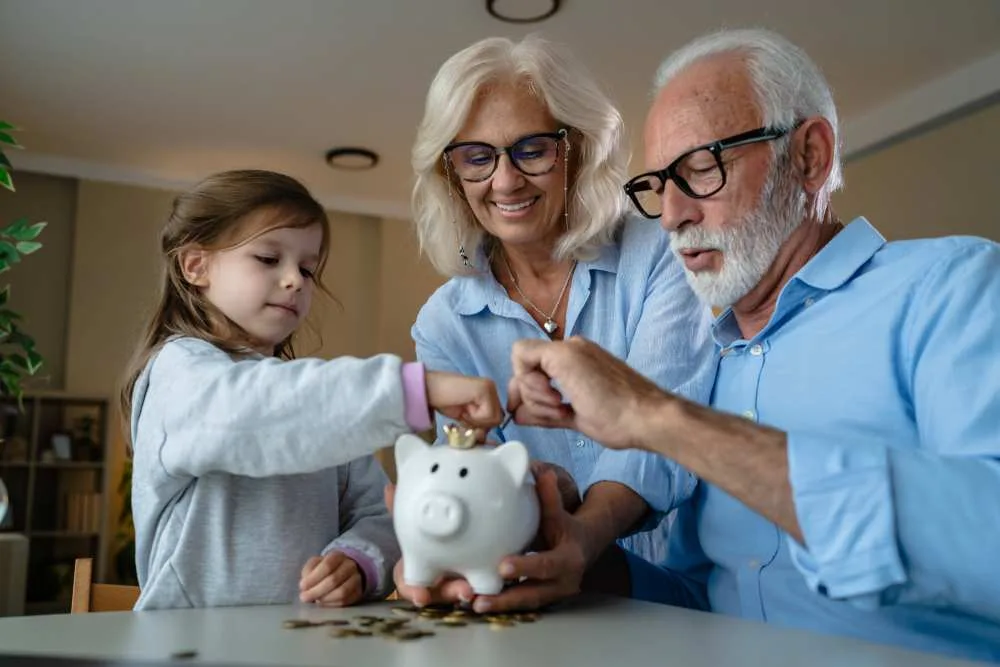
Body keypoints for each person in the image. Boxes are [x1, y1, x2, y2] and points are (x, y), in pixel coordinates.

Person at [505, 28, 1000, 662]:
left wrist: (656, 417)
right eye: (658, 183)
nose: (672, 214)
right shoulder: (713, 363)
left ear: (810, 157)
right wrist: (574, 556)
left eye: (701, 167)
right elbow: (708, 599)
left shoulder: (951, 286)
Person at [403, 35, 717, 612]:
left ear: (577, 148)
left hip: (686, 594)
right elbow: (472, 477)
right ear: (451, 174)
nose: (505, 182)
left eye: (531, 149)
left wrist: (586, 532)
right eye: (477, 157)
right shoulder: (443, 324)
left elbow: (661, 428)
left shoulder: (658, 256)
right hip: (540, 602)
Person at [120, 169, 502, 610]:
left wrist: (358, 561)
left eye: (307, 268)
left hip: (307, 646)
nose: (295, 280)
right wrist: (416, 389)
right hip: (188, 647)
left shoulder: (322, 412)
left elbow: (381, 512)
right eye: (268, 258)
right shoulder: (178, 371)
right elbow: (251, 412)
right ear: (196, 266)